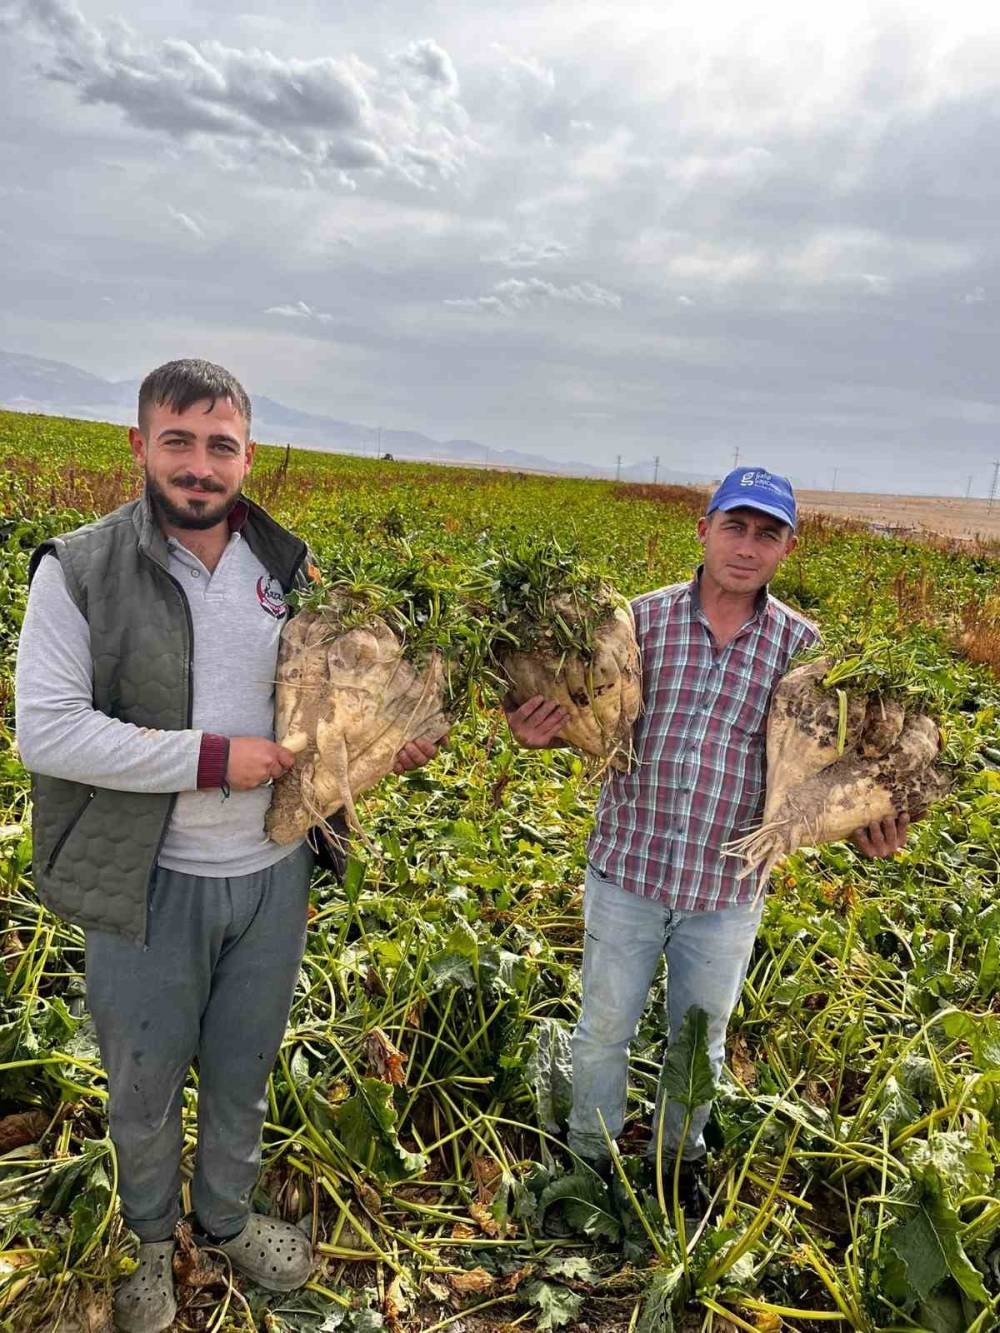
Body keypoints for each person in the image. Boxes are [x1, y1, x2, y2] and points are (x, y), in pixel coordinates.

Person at [14, 359, 442, 1333]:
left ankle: (226, 1217)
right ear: (138, 445)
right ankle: (152, 1246)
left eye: (221, 445)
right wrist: (210, 756)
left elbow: (327, 714)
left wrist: (387, 743)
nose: (200, 465)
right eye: (179, 440)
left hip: (272, 874)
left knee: (245, 1064)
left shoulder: (288, 569)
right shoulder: (76, 568)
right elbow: (46, 733)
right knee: (146, 1078)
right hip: (149, 878)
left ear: (246, 454)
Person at [504, 467, 906, 1215]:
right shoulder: (637, 623)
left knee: (700, 1046)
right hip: (629, 866)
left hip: (725, 892)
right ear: (704, 529)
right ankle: (590, 1163)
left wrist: (864, 828)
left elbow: (820, 778)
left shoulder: (806, 651)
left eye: (767, 533)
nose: (747, 546)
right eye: (735, 526)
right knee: (601, 1032)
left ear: (789, 546)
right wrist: (536, 736)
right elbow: (588, 719)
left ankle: (675, 1164)